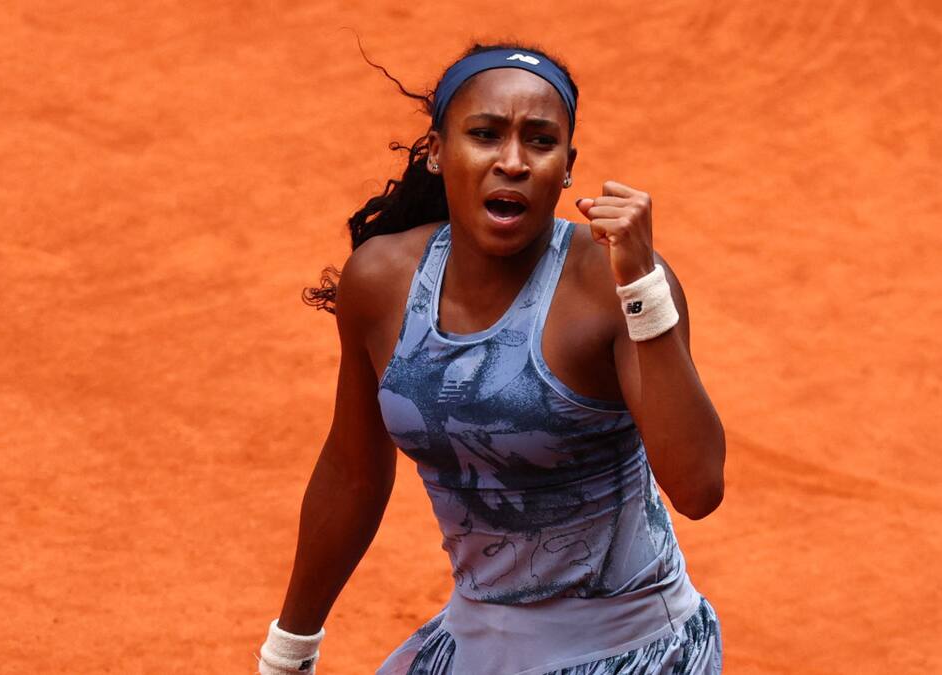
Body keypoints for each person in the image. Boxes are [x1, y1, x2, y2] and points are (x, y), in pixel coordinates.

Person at [255, 40, 727, 674]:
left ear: (567, 167)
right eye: (485, 134)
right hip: (480, 640)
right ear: (436, 152)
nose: (513, 161)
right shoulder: (383, 280)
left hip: (634, 649)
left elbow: (697, 487)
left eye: (539, 141)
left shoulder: (611, 284)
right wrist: (289, 652)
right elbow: (353, 475)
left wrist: (642, 285)